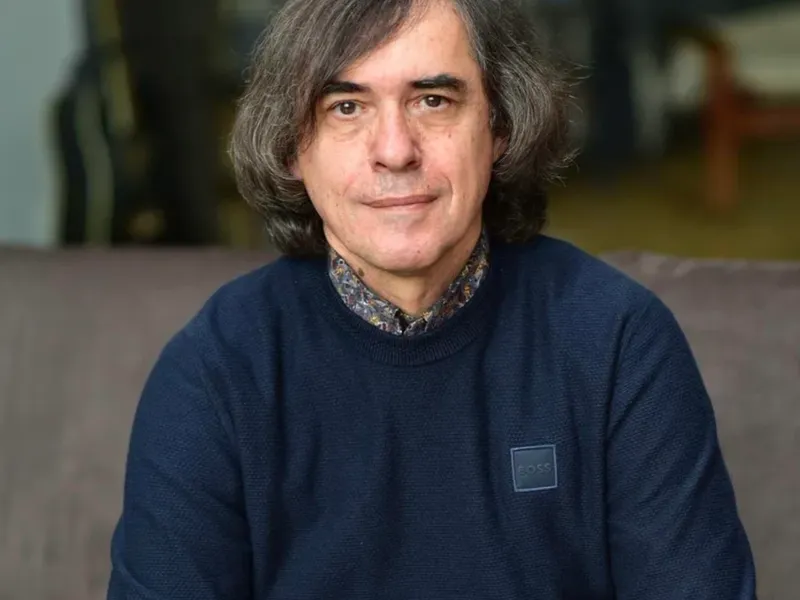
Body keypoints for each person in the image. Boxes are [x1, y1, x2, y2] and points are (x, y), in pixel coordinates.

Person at [107, 0, 757, 598]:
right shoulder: (216, 371)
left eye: (433, 101)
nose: (394, 151)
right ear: (292, 150)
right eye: (346, 107)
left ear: (500, 129)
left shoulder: (618, 342)